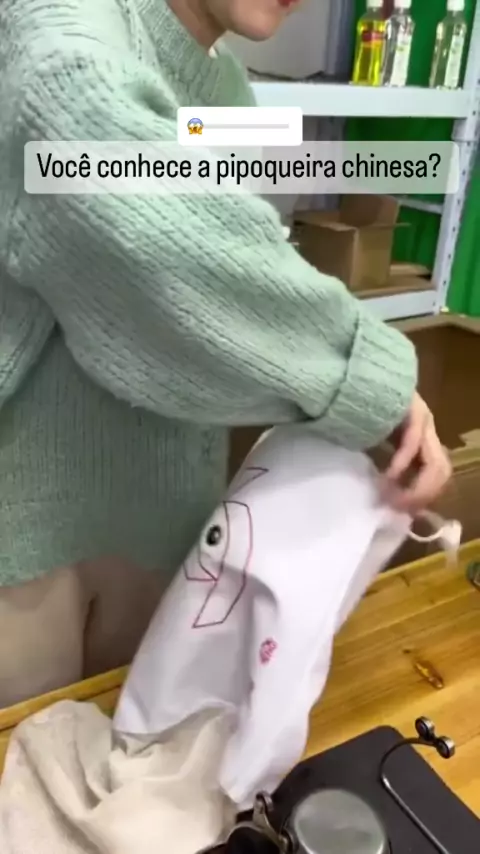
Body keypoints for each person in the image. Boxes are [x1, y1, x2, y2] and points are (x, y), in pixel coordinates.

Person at [0, 0, 451, 695]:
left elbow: (236, 245)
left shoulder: (228, 90)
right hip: (30, 542)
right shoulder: (63, 28)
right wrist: (360, 373)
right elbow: (143, 219)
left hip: (170, 529)